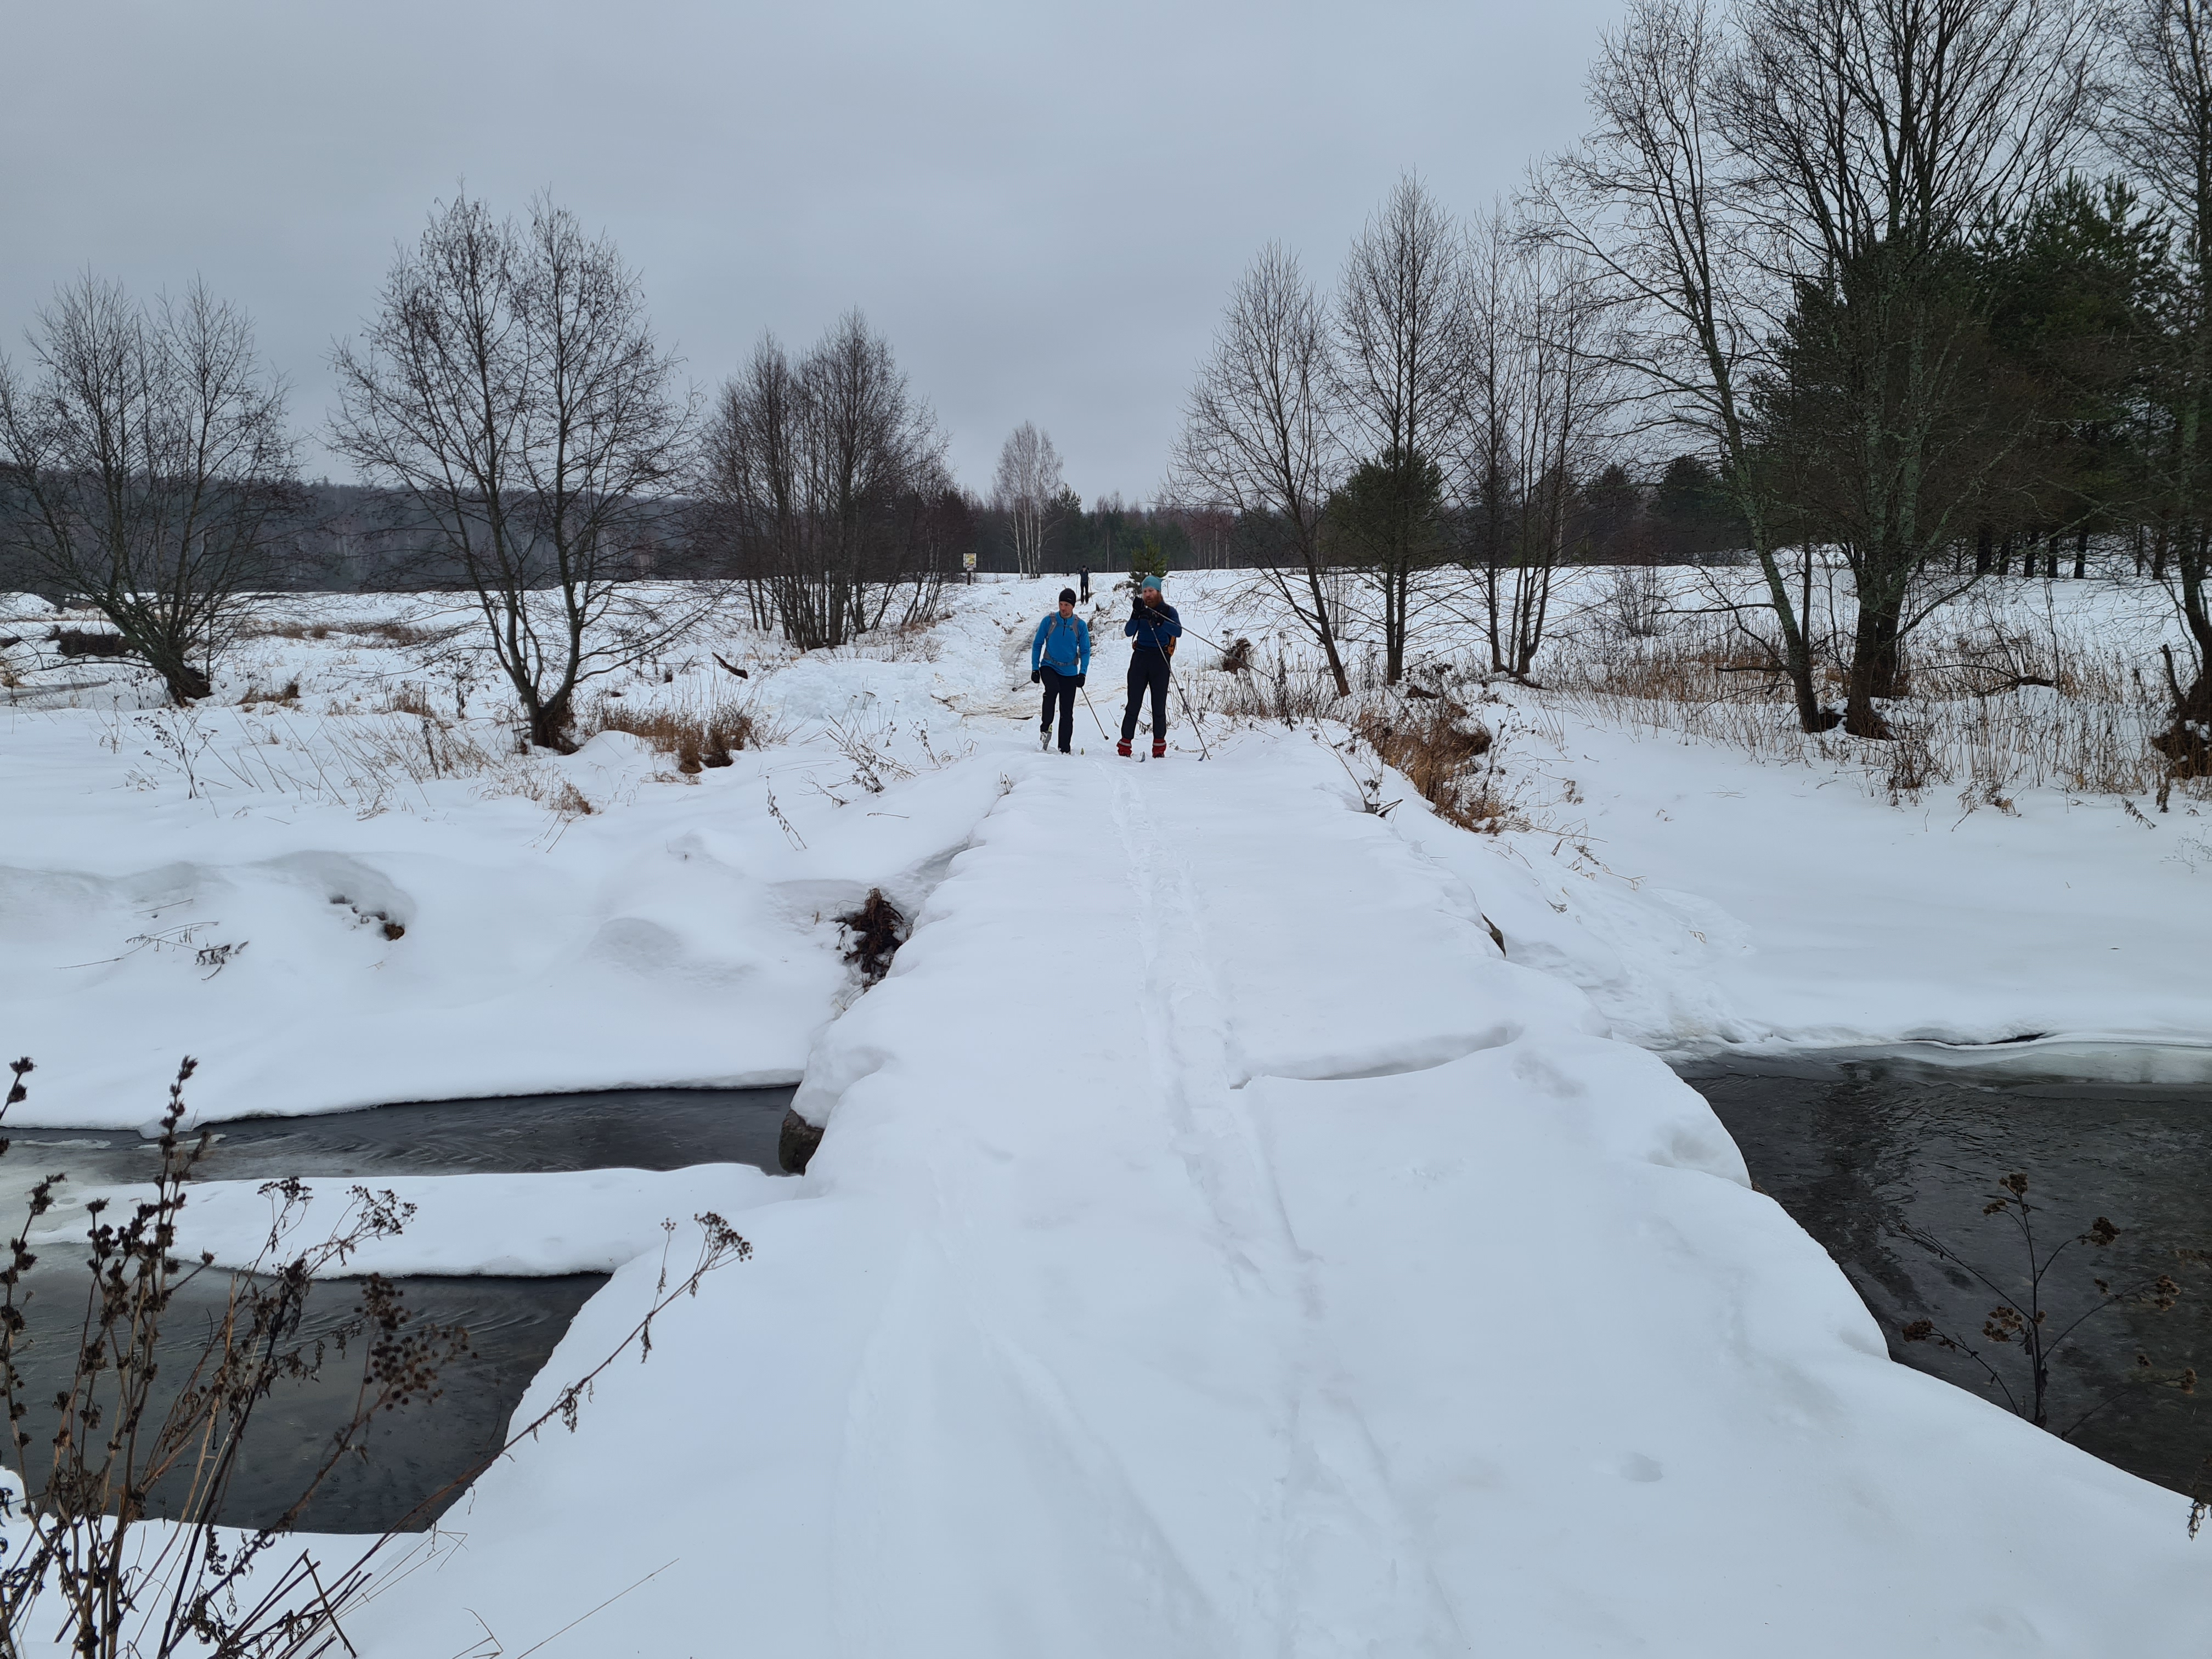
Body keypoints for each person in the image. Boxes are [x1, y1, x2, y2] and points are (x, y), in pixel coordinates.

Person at [1119, 576, 1181, 758]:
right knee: (1133, 704)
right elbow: (1129, 632)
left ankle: (1159, 747)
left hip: (1160, 659)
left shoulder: (1169, 611)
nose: (1148, 595)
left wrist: (1160, 621)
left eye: (1151, 591)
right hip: (1140, 658)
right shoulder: (1141, 610)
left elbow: (1178, 631)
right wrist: (1135, 615)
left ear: (1158, 592)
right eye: (1145, 591)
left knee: (1158, 705)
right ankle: (1125, 744)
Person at [1029, 587, 1090, 753]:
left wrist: (1083, 673)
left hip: (1070, 671)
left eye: (1067, 605)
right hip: (1049, 665)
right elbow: (1037, 644)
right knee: (1052, 690)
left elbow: (1085, 651)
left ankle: (1065, 748)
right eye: (1061, 604)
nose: (1063, 608)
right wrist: (1035, 668)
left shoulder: (1079, 626)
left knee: (1067, 711)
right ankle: (1045, 728)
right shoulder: (1049, 621)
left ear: (1073, 606)